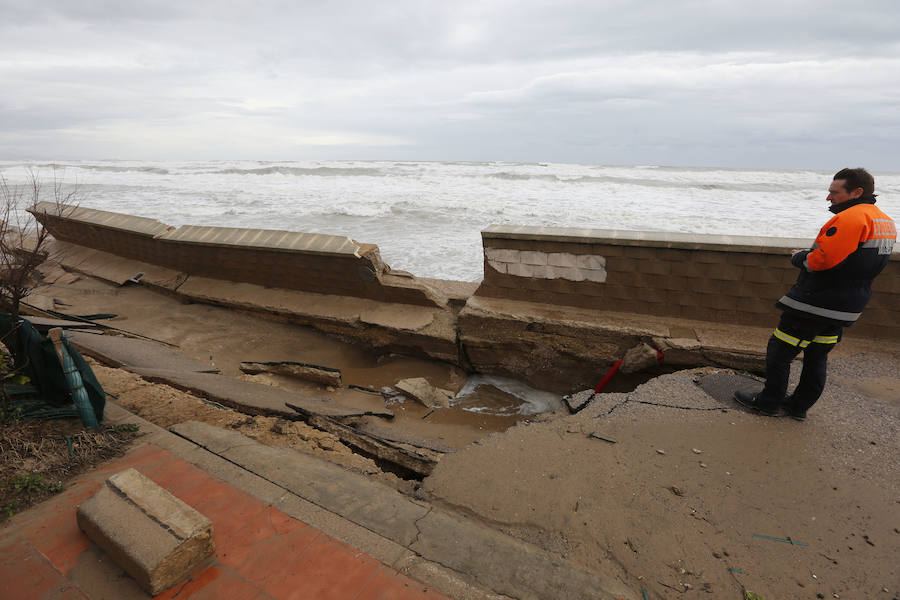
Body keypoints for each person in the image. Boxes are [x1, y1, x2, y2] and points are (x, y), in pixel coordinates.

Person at [734, 168, 896, 420]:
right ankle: (798, 406)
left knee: (780, 351)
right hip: (846, 305)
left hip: (817, 302)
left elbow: (822, 261)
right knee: (817, 355)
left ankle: (768, 402)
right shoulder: (885, 222)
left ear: (857, 192)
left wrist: (800, 257)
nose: (828, 198)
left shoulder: (850, 218)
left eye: (834, 192)